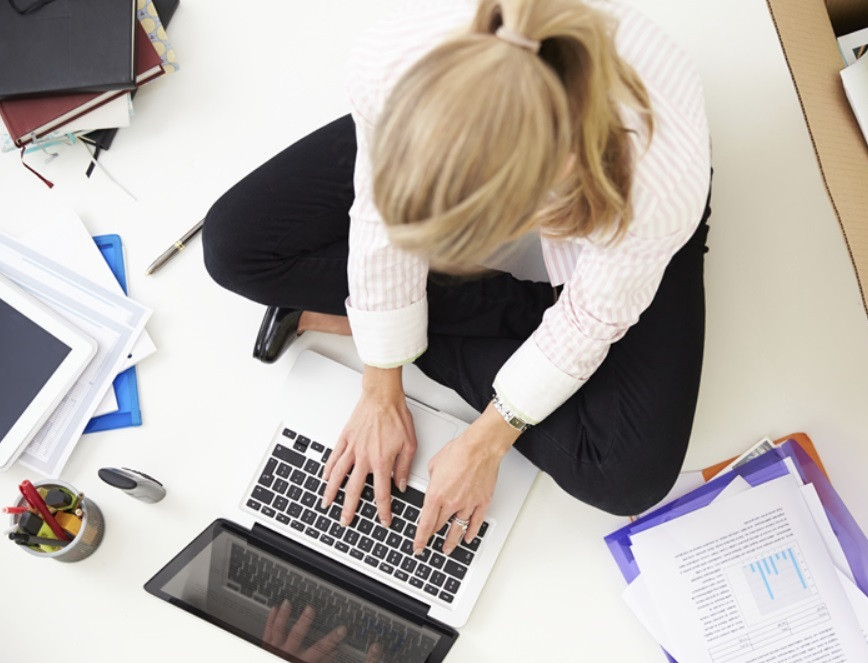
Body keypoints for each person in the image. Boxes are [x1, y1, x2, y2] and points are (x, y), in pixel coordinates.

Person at [203, 0, 712, 560]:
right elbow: (380, 219)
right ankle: (498, 318)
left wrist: (486, 444)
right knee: (235, 248)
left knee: (625, 475)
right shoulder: (388, 61)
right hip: (478, 112)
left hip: (625, 192)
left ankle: (404, 316)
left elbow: (590, 320)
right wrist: (380, 384)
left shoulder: (660, 185)